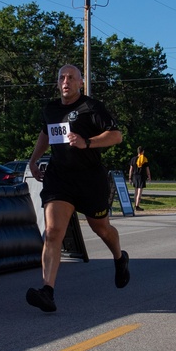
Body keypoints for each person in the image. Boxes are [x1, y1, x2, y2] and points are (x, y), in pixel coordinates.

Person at [25, 64, 130, 313]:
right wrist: (33, 159)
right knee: (52, 231)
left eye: (71, 78)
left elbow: (116, 136)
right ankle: (47, 291)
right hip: (59, 178)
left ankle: (119, 258)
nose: (66, 81)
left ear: (81, 83)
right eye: (61, 77)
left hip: (90, 179)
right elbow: (46, 134)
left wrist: (87, 142)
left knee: (101, 228)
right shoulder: (50, 109)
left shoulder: (91, 107)